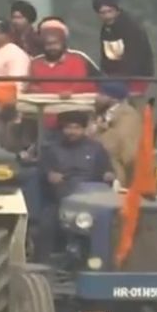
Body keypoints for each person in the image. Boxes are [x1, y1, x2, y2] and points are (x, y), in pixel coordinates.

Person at [36, 111, 115, 262]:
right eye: (68, 128)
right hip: (62, 197)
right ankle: (43, 264)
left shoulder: (96, 149)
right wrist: (49, 175)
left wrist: (108, 174)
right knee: (46, 225)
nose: (72, 131)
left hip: (92, 197)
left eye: (76, 128)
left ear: (84, 129)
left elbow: (108, 170)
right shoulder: (52, 149)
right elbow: (43, 171)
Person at [0, 82, 41, 214]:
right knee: (35, 174)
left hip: (2, 162)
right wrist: (18, 156)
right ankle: (32, 214)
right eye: (11, 105)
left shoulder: (0, 119)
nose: (14, 108)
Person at [92, 0, 154, 95]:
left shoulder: (131, 27)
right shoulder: (106, 29)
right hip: (116, 77)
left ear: (117, 10)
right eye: (103, 13)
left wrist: (122, 77)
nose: (108, 16)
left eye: (110, 11)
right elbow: (107, 54)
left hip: (135, 76)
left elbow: (136, 55)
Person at [91, 81, 141, 186]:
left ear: (113, 99)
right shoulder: (102, 113)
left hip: (116, 171)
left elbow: (127, 144)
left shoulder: (128, 116)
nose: (96, 97)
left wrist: (101, 131)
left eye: (101, 95)